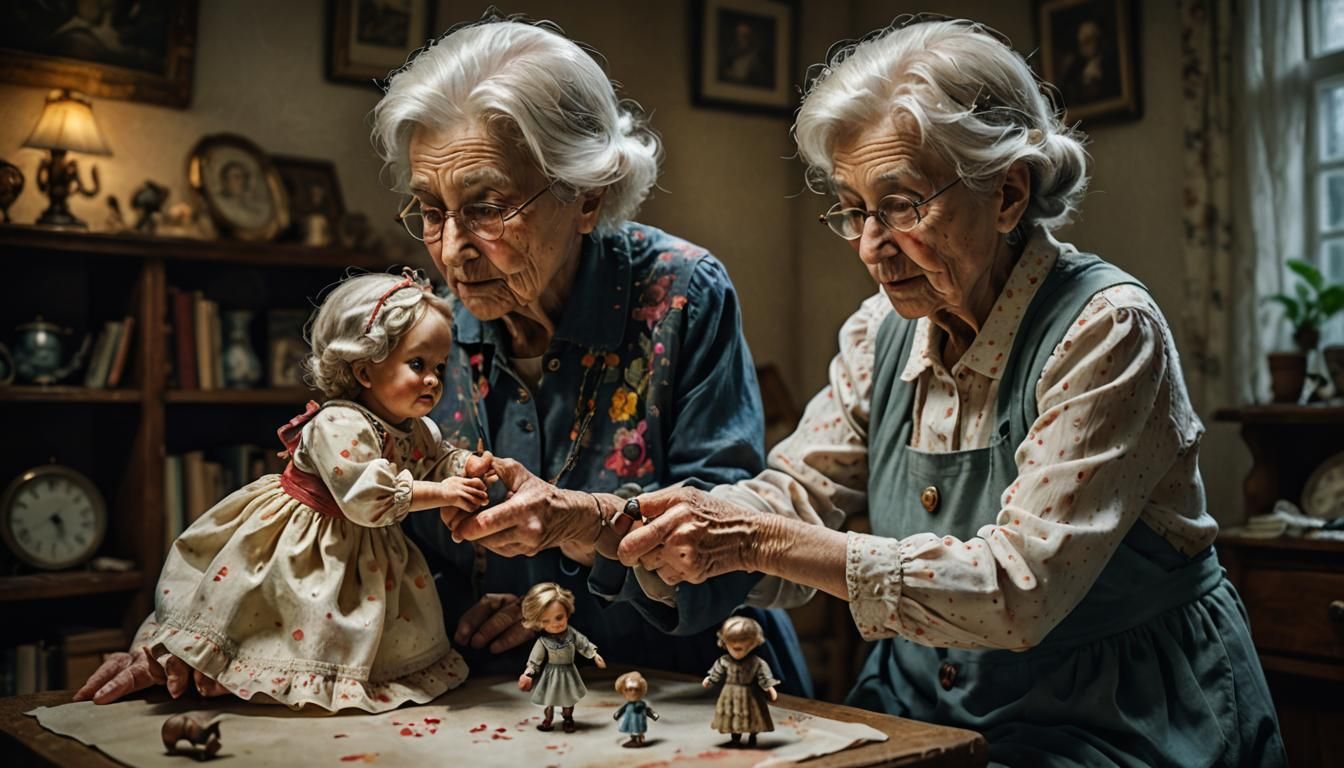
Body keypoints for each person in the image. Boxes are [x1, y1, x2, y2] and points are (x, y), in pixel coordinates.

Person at [615, 17, 1287, 767]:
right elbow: (797, 495)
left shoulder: (1107, 330)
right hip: (916, 703)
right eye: (853, 209)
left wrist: (758, 539)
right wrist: (630, 524)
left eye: (901, 205)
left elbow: (1019, 587)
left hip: (1117, 717)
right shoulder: (881, 330)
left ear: (1007, 194)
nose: (871, 244)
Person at [369, 13, 810, 694]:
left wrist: (561, 603)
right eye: (430, 209)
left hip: (682, 682)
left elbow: (727, 535)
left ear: (587, 194)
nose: (452, 247)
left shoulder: (682, 295)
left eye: (487, 207)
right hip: (500, 692)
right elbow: (393, 541)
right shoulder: (427, 333)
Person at [75, 269, 493, 711]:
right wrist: (445, 493)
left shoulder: (415, 427)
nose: (433, 380)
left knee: (351, 636)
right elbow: (370, 497)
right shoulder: (337, 423)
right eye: (418, 365)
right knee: (274, 623)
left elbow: (436, 456)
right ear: (365, 370)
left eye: (440, 368)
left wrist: (466, 465)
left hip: (365, 551)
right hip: (304, 544)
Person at [516, 582, 606, 732]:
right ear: (538, 623)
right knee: (549, 700)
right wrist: (528, 674)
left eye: (559, 618)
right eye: (546, 621)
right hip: (551, 673)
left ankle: (568, 719)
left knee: (568, 699)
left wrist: (594, 655)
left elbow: (583, 643)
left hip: (569, 672)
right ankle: (548, 719)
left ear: (567, 613)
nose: (555, 625)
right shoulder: (543, 641)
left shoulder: (572, 634)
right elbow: (535, 660)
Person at [702, 616, 778, 748]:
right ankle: (735, 738)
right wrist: (710, 679)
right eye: (733, 646)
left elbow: (763, 676)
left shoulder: (756, 662)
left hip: (750, 693)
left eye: (743, 647)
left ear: (753, 644)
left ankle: (752, 736)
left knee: (753, 715)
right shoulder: (724, 660)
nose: (737, 650)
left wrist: (769, 688)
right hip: (730, 693)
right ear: (725, 643)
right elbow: (717, 672)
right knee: (733, 716)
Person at [612, 671, 659, 748]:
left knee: (637, 731)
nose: (633, 692)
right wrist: (618, 714)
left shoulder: (641, 704)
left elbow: (647, 710)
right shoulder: (628, 704)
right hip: (629, 721)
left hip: (638, 722)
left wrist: (653, 715)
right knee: (632, 731)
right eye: (629, 690)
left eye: (636, 690)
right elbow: (622, 709)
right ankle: (633, 739)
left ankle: (638, 740)